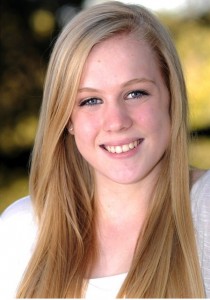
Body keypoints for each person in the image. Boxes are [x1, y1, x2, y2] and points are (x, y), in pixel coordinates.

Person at [0, 1, 209, 298]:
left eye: (135, 93)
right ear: (66, 119)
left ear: (171, 99)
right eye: (90, 100)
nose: (116, 122)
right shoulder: (20, 232)